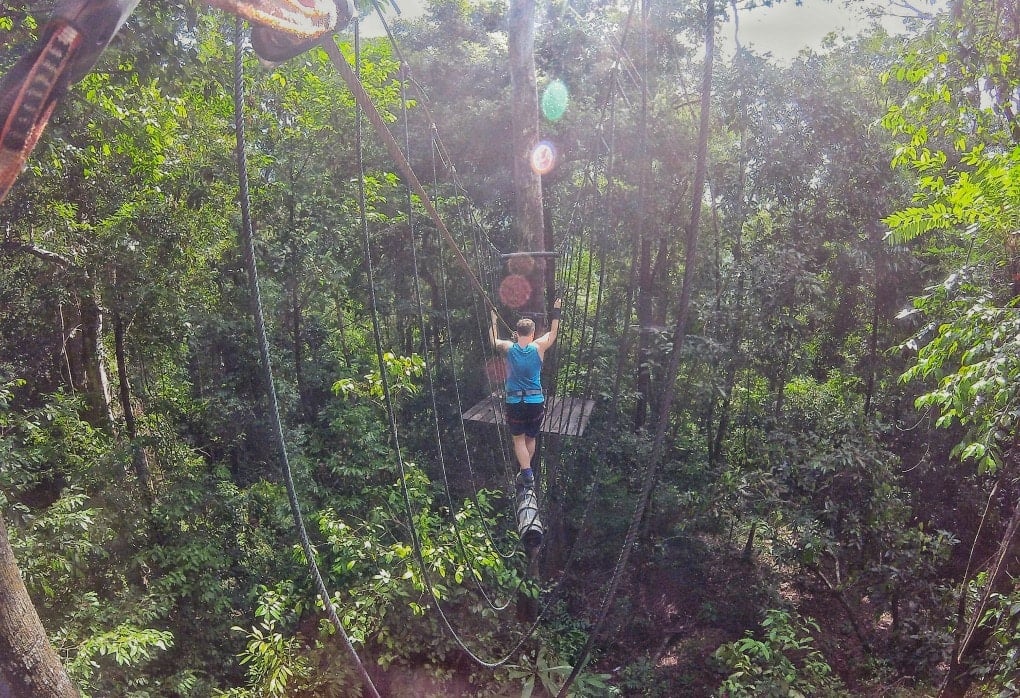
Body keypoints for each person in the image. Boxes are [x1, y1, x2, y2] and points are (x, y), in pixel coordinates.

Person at [490, 298, 561, 489]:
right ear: (532, 334)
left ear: (517, 333)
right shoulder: (538, 346)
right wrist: (556, 310)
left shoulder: (508, 347)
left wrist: (493, 320)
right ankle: (526, 473)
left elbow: (493, 340)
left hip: (515, 403)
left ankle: (526, 474)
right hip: (535, 402)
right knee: (530, 438)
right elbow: (553, 333)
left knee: (518, 440)